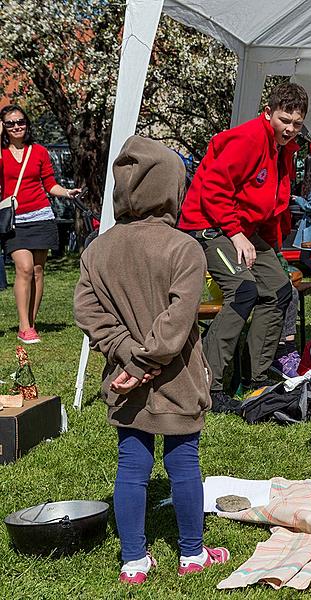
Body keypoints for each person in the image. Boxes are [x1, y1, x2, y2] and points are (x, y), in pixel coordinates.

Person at [74, 136, 229, 585]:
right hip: (177, 377)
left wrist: (126, 355)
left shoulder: (96, 250)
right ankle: (192, 553)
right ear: (170, 188)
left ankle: (134, 560)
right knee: (183, 463)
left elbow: (88, 313)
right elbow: (177, 321)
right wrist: (145, 361)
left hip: (124, 379)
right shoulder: (185, 248)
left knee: (131, 465)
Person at [178, 82, 307, 411]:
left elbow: (270, 204)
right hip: (210, 226)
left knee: (279, 290)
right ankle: (210, 384)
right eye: (284, 121)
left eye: (297, 124)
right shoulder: (249, 139)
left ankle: (256, 379)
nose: (290, 129)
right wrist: (235, 234)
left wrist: (273, 248)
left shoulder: (284, 149)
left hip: (243, 229)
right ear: (269, 113)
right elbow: (214, 188)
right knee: (244, 290)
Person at [1, 105, 80, 343]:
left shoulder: (39, 152)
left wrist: (67, 192)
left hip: (41, 216)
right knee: (23, 268)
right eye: (10, 123)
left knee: (37, 271)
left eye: (21, 122)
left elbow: (50, 184)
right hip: (14, 220)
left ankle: (30, 323)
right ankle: (24, 327)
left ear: (27, 124)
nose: (17, 127)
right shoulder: (2, 153)